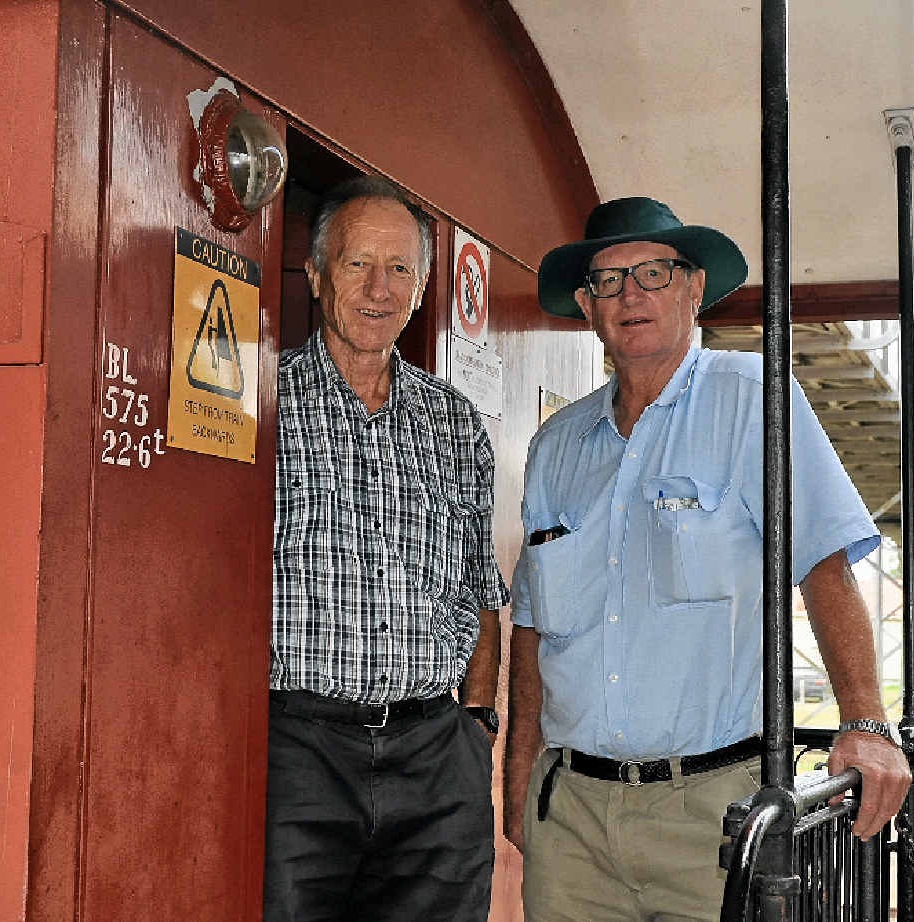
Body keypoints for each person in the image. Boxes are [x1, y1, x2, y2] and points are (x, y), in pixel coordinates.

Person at [504, 197, 912, 922]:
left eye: (654, 273)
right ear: (587, 306)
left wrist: (867, 723)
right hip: (570, 822)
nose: (630, 295)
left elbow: (823, 568)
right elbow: (532, 630)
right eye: (608, 280)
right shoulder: (554, 446)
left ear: (694, 288)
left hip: (716, 817)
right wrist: (517, 778)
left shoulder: (757, 400)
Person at [266, 175, 510, 922]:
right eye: (357, 264)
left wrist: (476, 725)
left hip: (436, 757)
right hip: (298, 752)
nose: (380, 289)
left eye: (400, 268)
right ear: (316, 275)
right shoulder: (262, 402)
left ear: (422, 287)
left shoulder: (454, 421)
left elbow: (480, 589)